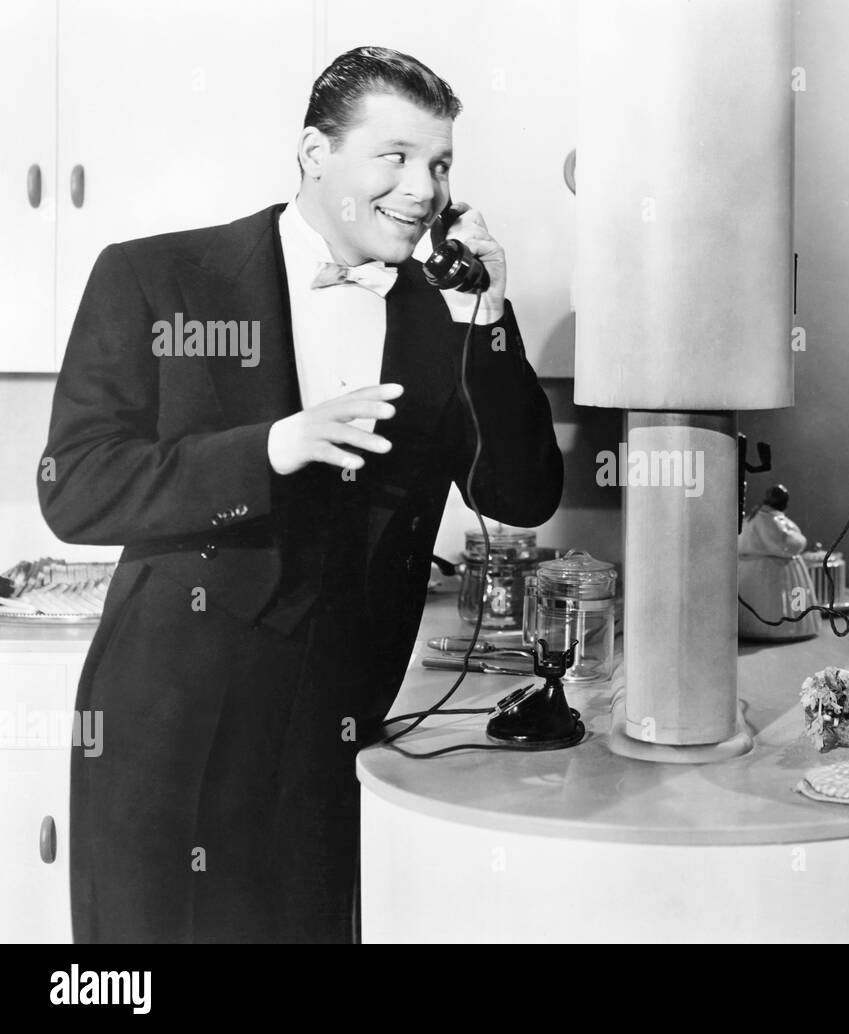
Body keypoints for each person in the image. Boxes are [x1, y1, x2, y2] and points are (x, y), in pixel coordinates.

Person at [38, 46, 564, 943]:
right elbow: (76, 487)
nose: (424, 187)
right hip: (166, 714)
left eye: (439, 163)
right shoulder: (156, 277)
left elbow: (521, 494)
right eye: (393, 157)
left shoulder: (448, 319)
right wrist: (275, 446)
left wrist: (490, 323)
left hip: (334, 721)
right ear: (316, 153)